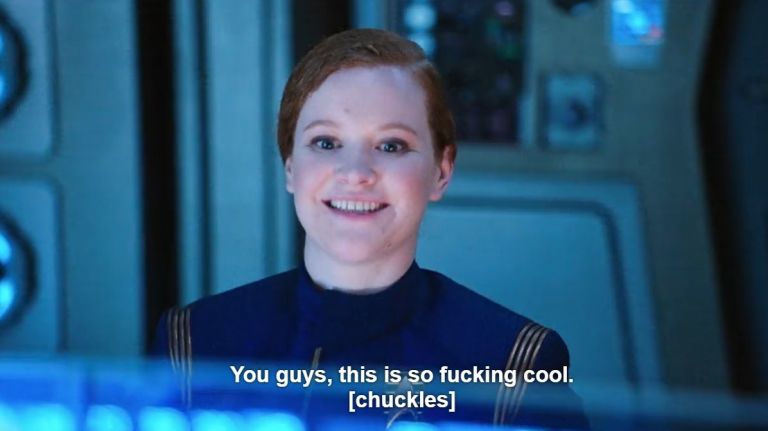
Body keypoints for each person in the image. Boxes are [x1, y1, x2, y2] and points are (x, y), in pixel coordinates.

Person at [153, 28, 589, 429]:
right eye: (326, 142)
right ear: (290, 167)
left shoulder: (515, 364)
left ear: (441, 172)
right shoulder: (194, 341)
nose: (356, 173)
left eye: (391, 145)